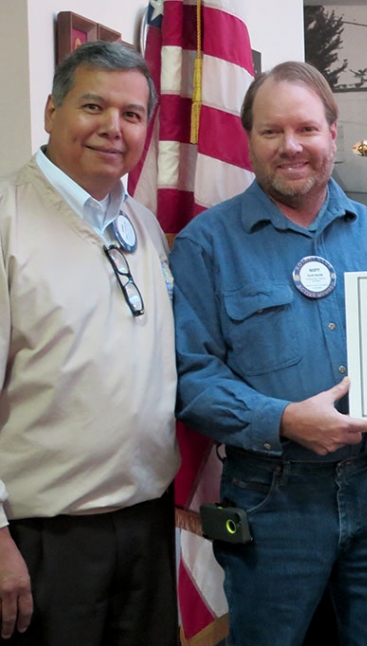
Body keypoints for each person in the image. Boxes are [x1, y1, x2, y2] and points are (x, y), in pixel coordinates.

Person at [169, 61, 367, 646]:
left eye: (306, 129)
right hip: (271, 498)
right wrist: (282, 420)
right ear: (248, 139)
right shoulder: (207, 245)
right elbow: (190, 376)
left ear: (333, 132)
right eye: (271, 131)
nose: (291, 147)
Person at [0, 41, 179, 645]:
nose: (113, 128)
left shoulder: (142, 224)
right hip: (42, 539)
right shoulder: (7, 222)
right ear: (52, 110)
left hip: (147, 525)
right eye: (93, 106)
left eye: (131, 115)